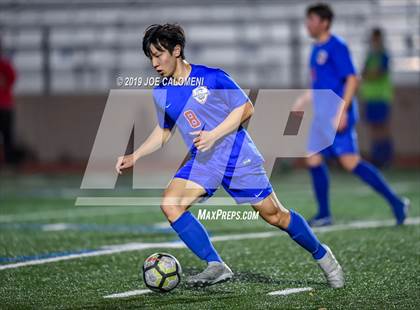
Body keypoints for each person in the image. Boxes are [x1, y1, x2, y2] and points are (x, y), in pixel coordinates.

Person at [116, 23, 344, 288]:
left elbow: (246, 108)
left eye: (159, 55)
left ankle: (323, 256)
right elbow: (164, 131)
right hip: (204, 160)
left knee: (275, 216)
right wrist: (136, 155)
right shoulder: (161, 92)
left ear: (176, 50)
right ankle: (216, 264)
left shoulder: (212, 77)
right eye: (150, 57)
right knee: (171, 204)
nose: (154, 62)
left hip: (237, 155)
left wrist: (213, 134)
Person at [296, 3, 409, 227]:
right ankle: (324, 214)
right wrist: (305, 98)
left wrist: (341, 111)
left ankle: (396, 203)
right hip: (321, 116)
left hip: (336, 115)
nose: (308, 24)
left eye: (312, 20)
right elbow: (322, 84)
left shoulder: (336, 46)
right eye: (308, 20)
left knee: (350, 163)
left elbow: (352, 79)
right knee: (313, 157)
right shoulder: (316, 49)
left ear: (324, 23)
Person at [360, 28, 394, 167]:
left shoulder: (384, 55)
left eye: (376, 39)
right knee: (373, 127)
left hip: (381, 97)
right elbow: (364, 73)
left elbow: (377, 73)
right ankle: (376, 156)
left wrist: (370, 74)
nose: (374, 42)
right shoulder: (369, 56)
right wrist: (369, 74)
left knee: (382, 127)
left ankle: (386, 157)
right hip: (369, 98)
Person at [0, 36, 17, 166]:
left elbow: (12, 79)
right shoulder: (6, 65)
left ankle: (9, 160)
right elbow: (12, 80)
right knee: (8, 136)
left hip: (5, 105)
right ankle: (9, 161)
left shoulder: (5, 65)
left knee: (8, 135)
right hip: (6, 106)